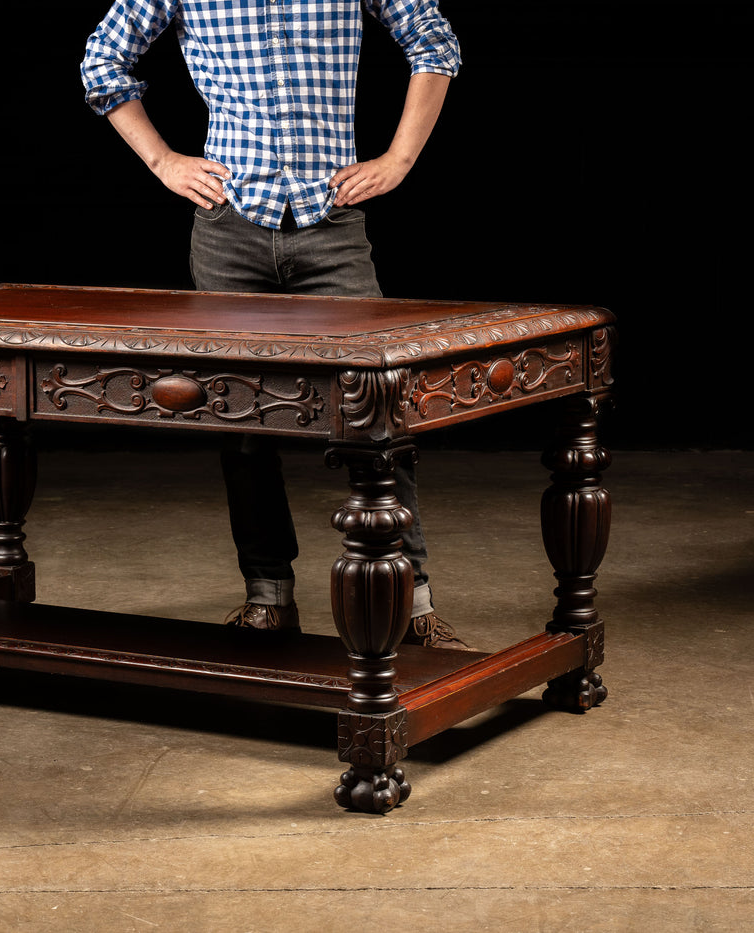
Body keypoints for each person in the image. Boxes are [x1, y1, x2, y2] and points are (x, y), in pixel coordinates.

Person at [81, 0, 467, 648]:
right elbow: (102, 62)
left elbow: (434, 42)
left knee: (381, 409)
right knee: (240, 417)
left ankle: (412, 604)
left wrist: (399, 159)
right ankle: (268, 594)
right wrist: (163, 161)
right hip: (229, 228)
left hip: (332, 224)